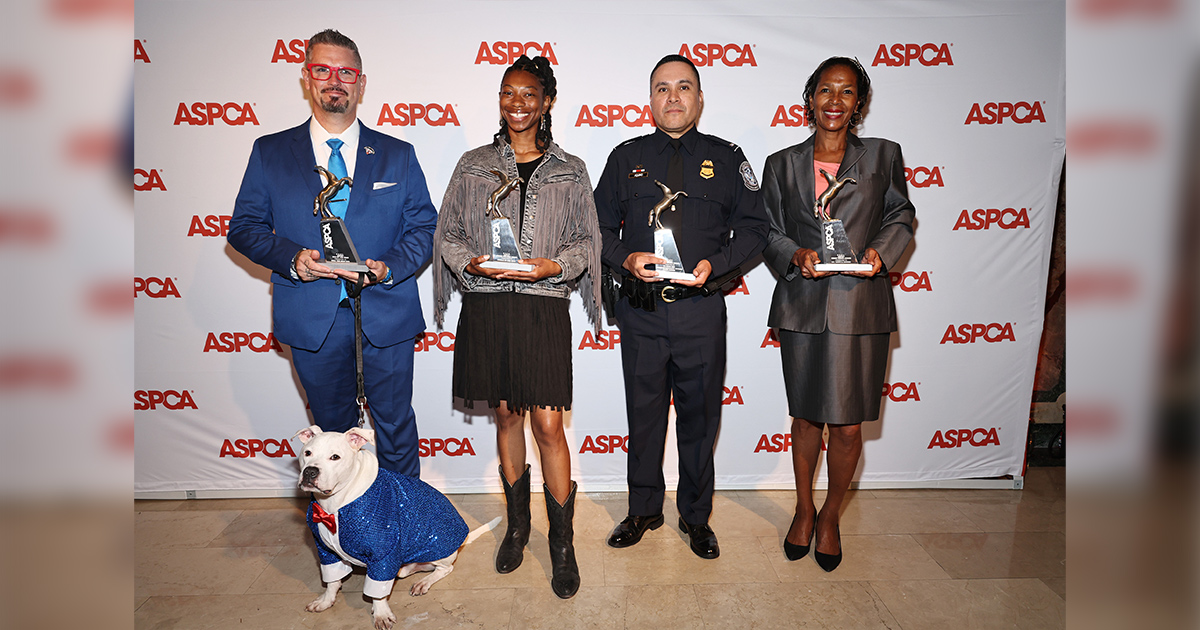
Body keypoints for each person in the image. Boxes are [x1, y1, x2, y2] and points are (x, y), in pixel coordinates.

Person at [227, 29, 437, 478]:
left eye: (346, 72)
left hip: (387, 313)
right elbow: (243, 229)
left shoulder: (399, 155)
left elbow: (425, 227)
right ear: (306, 78)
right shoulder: (270, 152)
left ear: (361, 83)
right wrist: (292, 258)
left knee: (396, 429)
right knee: (331, 442)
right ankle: (344, 541)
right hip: (311, 318)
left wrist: (390, 268)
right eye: (323, 69)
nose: (334, 80)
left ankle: (400, 535)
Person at [432, 55, 600, 599]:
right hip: (487, 306)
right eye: (508, 93)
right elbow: (448, 234)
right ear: (499, 99)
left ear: (547, 101)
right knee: (506, 414)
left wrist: (557, 266)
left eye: (529, 95)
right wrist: (469, 263)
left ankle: (562, 541)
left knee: (549, 426)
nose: (518, 104)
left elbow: (586, 242)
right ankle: (518, 526)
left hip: (542, 306)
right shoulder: (474, 163)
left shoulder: (569, 168)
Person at [594, 54, 769, 560]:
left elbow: (757, 230)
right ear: (650, 99)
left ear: (699, 98)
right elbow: (598, 228)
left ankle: (696, 516)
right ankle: (643, 508)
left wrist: (718, 264)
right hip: (642, 311)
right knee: (643, 417)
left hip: (700, 311)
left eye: (684, 87)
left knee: (699, 420)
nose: (673, 97)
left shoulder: (728, 157)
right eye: (662, 88)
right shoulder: (625, 157)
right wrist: (626, 256)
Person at [760, 56, 915, 571]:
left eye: (846, 92)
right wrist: (794, 256)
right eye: (825, 90)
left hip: (861, 307)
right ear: (810, 97)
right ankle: (803, 510)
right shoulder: (782, 163)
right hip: (804, 307)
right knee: (805, 419)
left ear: (859, 102)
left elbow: (901, 214)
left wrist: (881, 253)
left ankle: (830, 517)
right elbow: (769, 230)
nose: (834, 101)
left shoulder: (883, 156)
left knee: (847, 429)